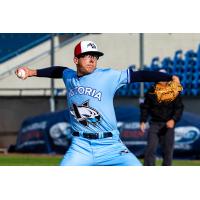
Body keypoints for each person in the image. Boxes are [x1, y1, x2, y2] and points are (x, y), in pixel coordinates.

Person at [15, 40, 180, 166]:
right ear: (76, 59)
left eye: (94, 56)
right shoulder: (69, 76)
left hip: (111, 146)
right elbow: (58, 71)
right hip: (80, 146)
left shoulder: (108, 76)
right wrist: (31, 72)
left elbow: (139, 76)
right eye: (87, 55)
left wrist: (167, 77)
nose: (92, 59)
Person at [140, 69, 184, 166]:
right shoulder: (151, 91)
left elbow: (179, 108)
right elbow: (145, 107)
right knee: (150, 149)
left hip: (168, 125)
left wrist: (173, 120)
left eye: (163, 76)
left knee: (168, 151)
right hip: (154, 124)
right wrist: (143, 121)